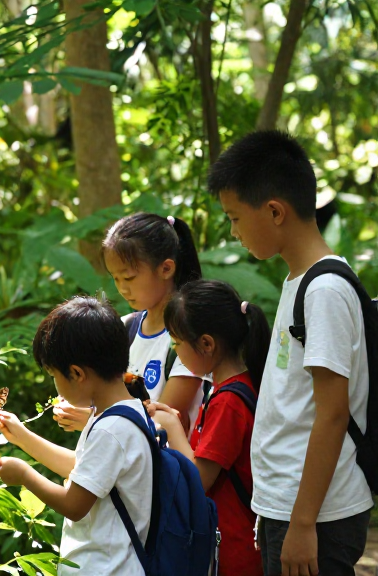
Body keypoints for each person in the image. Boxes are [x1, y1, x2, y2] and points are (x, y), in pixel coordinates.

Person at [210, 130, 371, 576]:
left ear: (275, 211)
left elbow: (333, 413)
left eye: (235, 217)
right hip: (293, 507)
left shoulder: (324, 290)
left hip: (318, 515)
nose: (234, 231)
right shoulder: (299, 281)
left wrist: (301, 523)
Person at [0, 296, 153, 575]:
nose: (55, 384)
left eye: (54, 375)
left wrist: (24, 475)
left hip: (106, 569)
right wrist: (21, 437)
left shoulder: (110, 429)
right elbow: (85, 471)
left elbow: (74, 504)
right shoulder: (125, 413)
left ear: (77, 373)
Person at [147, 280, 269, 576]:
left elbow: (199, 480)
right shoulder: (230, 388)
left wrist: (172, 427)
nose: (176, 352)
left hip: (234, 551)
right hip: (230, 544)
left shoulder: (228, 402)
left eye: (177, 343)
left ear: (206, 344)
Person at [54, 213, 205, 435]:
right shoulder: (124, 328)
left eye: (129, 277)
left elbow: (163, 422)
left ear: (166, 269)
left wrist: (92, 419)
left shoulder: (189, 337)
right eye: (115, 278)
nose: (122, 288)